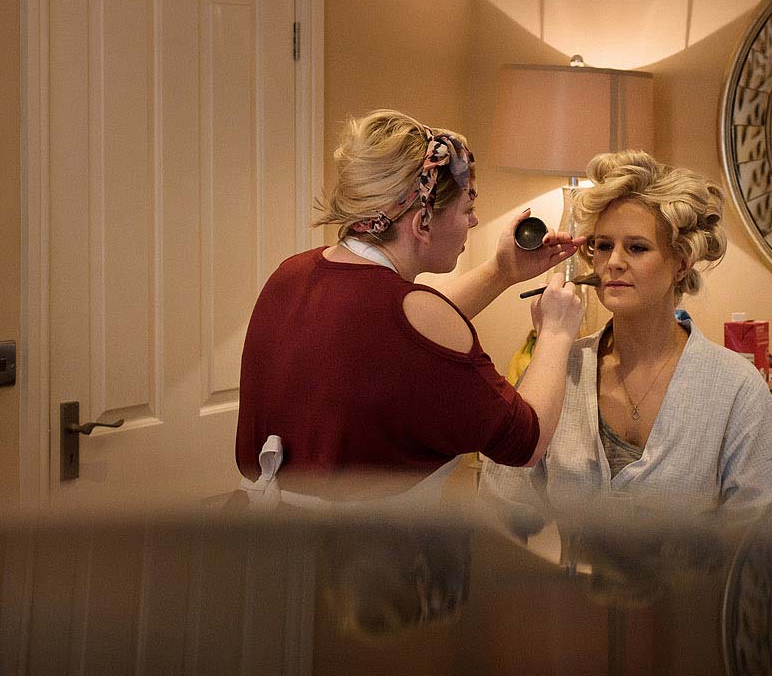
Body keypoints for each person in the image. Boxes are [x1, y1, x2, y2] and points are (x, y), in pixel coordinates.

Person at [236, 110, 584, 495]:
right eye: (467, 210)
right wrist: (555, 331)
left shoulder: (293, 273)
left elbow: (396, 338)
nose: (473, 222)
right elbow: (526, 441)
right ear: (422, 223)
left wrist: (502, 270)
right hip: (364, 550)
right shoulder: (410, 313)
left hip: (263, 540)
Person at [482, 151, 772, 525]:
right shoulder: (558, 372)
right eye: (603, 246)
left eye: (636, 247)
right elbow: (500, 506)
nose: (614, 261)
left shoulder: (733, 387)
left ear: (681, 262)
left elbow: (770, 537)